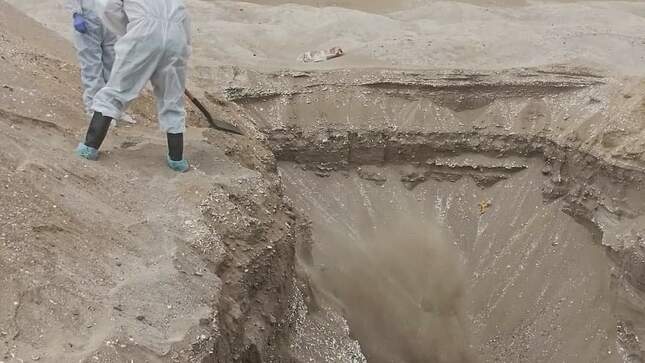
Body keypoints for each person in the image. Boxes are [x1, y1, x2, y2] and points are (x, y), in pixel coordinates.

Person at [75, 0, 191, 172]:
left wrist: (129, 30)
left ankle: (89, 147)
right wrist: (181, 50)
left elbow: (107, 7)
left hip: (143, 31)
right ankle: (177, 159)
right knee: (172, 98)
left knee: (117, 90)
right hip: (177, 37)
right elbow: (185, 19)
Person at [67, 0, 135, 125]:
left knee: (113, 66)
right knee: (92, 67)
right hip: (88, 19)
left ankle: (113, 109)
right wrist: (76, 13)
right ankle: (95, 110)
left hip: (109, 20)